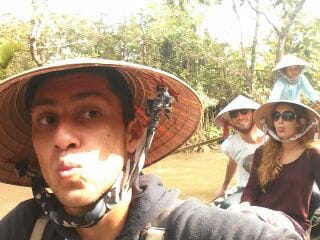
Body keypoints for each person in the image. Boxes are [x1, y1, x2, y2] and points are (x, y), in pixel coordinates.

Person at [0, 58, 302, 240]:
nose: (62, 137)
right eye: (47, 119)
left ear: (133, 134)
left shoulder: (192, 229)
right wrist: (225, 189)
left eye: (91, 113)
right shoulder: (24, 228)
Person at [234, 99, 320, 240]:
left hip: (291, 223)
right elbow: (251, 189)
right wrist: (243, 207)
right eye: (276, 116)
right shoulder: (261, 153)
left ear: (300, 122)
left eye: (287, 116)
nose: (280, 121)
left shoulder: (312, 155)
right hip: (258, 218)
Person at [211, 95, 265, 208]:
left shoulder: (271, 138)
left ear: (254, 113)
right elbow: (232, 162)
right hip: (245, 189)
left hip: (271, 188)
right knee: (225, 206)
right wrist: (224, 187)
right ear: (231, 121)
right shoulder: (230, 144)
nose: (239, 117)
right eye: (234, 114)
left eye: (244, 112)